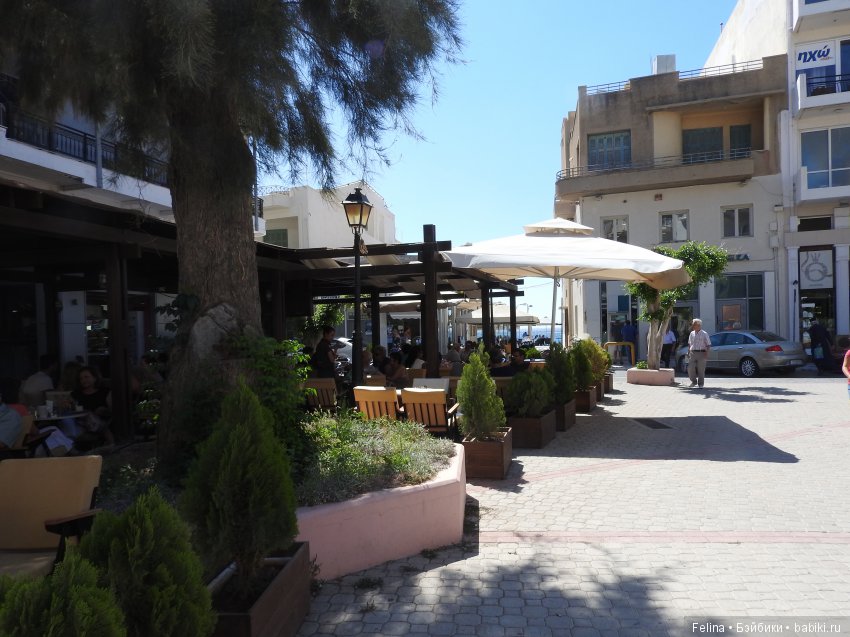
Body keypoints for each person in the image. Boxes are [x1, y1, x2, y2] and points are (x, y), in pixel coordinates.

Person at [71, 366, 114, 445]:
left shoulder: (105, 392)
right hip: (80, 422)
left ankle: (111, 443)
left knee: (90, 417)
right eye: (81, 378)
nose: (83, 380)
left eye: (86, 377)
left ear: (95, 378)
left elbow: (113, 411)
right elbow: (72, 408)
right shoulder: (76, 394)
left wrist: (103, 410)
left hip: (101, 421)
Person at [687, 318, 711, 389]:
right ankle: (694, 381)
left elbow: (708, 344)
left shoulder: (704, 333)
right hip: (693, 352)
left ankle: (701, 384)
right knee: (690, 368)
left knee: (701, 370)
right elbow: (689, 343)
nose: (693, 326)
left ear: (699, 325)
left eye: (694, 324)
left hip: (702, 353)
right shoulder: (692, 333)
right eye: (693, 324)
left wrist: (707, 353)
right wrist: (688, 352)